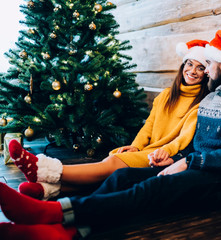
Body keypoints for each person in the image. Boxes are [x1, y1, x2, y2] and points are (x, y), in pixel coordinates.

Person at [0, 30, 221, 240]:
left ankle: (55, 213)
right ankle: (68, 230)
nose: (204, 70)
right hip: (196, 169)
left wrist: (187, 162)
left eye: (209, 64)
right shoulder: (213, 99)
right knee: (122, 176)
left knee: (153, 187)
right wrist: (175, 159)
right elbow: (197, 147)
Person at [8, 39, 210, 200]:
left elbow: (182, 139)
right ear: (183, 64)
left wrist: (162, 152)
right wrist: (136, 146)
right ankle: (48, 190)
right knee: (109, 164)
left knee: (112, 162)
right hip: (146, 150)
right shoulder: (167, 94)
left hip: (161, 154)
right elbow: (149, 125)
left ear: (206, 74)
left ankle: (44, 169)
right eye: (189, 64)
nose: (192, 71)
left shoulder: (200, 103)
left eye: (200, 68)